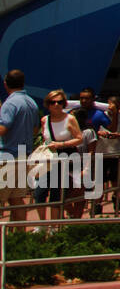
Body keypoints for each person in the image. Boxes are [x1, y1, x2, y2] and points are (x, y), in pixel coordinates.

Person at [33, 90, 86, 221]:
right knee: (39, 192)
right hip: (48, 159)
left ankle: (54, 226)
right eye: (53, 102)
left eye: (60, 102)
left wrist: (61, 144)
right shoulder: (45, 120)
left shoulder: (70, 119)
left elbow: (79, 139)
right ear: (48, 104)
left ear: (64, 104)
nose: (56, 105)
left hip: (64, 158)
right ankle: (42, 225)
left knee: (56, 194)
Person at [0, 69, 39, 221]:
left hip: (7, 158)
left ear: (5, 84)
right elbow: (36, 129)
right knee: (16, 200)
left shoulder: (10, 103)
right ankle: (21, 239)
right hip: (23, 157)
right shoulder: (31, 102)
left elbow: (3, 128)